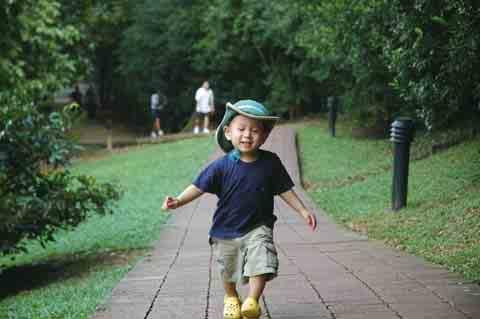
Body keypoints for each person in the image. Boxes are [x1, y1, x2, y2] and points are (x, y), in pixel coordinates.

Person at [162, 99, 317, 319]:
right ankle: (232, 297)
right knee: (228, 269)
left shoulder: (271, 163)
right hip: (225, 229)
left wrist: (302, 210)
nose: (247, 135)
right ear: (228, 132)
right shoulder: (222, 165)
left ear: (263, 136)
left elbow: (285, 189)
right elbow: (198, 186)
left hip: (259, 226)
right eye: (241, 129)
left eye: (255, 130)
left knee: (262, 261)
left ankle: (252, 301)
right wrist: (178, 201)